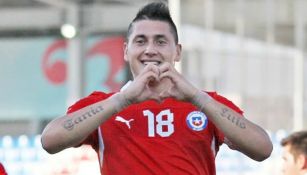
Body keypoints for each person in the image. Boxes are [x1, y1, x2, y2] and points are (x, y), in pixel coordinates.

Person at [41, 2, 273, 175]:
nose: (150, 50)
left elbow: (262, 148)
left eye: (161, 41)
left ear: (178, 51)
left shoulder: (206, 102)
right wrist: (122, 101)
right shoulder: (104, 104)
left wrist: (196, 97)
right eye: (140, 41)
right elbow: (50, 140)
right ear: (125, 51)